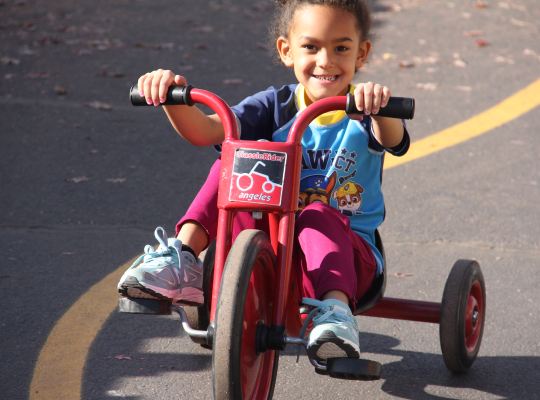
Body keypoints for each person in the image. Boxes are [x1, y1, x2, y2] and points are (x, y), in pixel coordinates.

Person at [118, 0, 410, 362]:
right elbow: (208, 129)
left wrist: (379, 107)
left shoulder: (363, 111)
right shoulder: (274, 106)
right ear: (286, 51)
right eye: (311, 47)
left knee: (317, 214)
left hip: (351, 261)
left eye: (341, 48)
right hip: (276, 252)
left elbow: (391, 137)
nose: (326, 60)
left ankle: (336, 315)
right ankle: (184, 257)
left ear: (361, 53)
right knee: (234, 159)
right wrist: (169, 98)